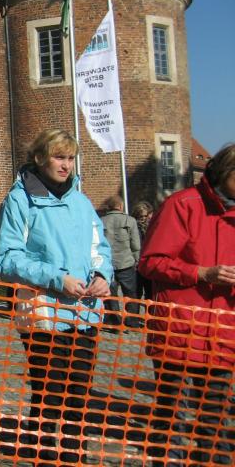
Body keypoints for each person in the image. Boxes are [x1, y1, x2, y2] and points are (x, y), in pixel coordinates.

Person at [0, 129, 113, 464]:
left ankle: (76, 456)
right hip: (44, 315)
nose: (66, 165)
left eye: (70, 158)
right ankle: (44, 456)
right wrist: (56, 278)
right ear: (40, 159)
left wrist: (103, 275)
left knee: (80, 397)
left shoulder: (81, 201)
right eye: (59, 157)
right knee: (50, 396)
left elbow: (100, 247)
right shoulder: (20, 200)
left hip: (85, 313)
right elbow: (6, 260)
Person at [138, 143, 235, 465]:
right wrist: (201, 272)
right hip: (178, 332)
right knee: (171, 421)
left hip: (222, 334)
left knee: (215, 421)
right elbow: (150, 262)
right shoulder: (182, 205)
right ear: (226, 172)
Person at [101, 195, 142, 328]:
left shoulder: (101, 221)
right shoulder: (130, 220)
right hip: (126, 263)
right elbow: (136, 244)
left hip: (108, 264)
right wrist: (136, 260)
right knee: (130, 294)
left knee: (110, 294)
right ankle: (132, 321)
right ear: (120, 206)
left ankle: (113, 321)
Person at [131, 200, 154, 301]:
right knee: (137, 293)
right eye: (142, 216)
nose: (145, 219)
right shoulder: (133, 227)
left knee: (149, 293)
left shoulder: (152, 227)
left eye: (147, 216)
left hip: (147, 263)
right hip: (137, 264)